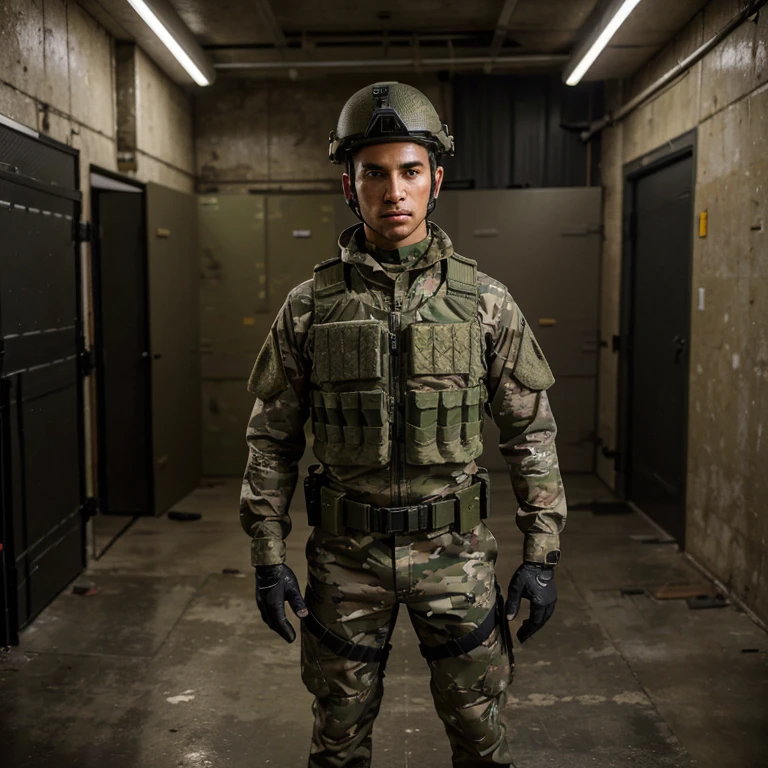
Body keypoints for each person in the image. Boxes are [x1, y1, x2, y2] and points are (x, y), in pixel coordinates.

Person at [240, 81, 567, 768]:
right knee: (337, 739)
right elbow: (271, 440)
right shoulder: (308, 309)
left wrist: (543, 553)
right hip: (345, 559)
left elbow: (530, 433)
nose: (394, 192)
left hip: (456, 555)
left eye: (410, 171)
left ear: (436, 180)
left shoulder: (486, 304)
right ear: (347, 183)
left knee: (481, 738)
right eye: (375, 173)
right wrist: (268, 558)